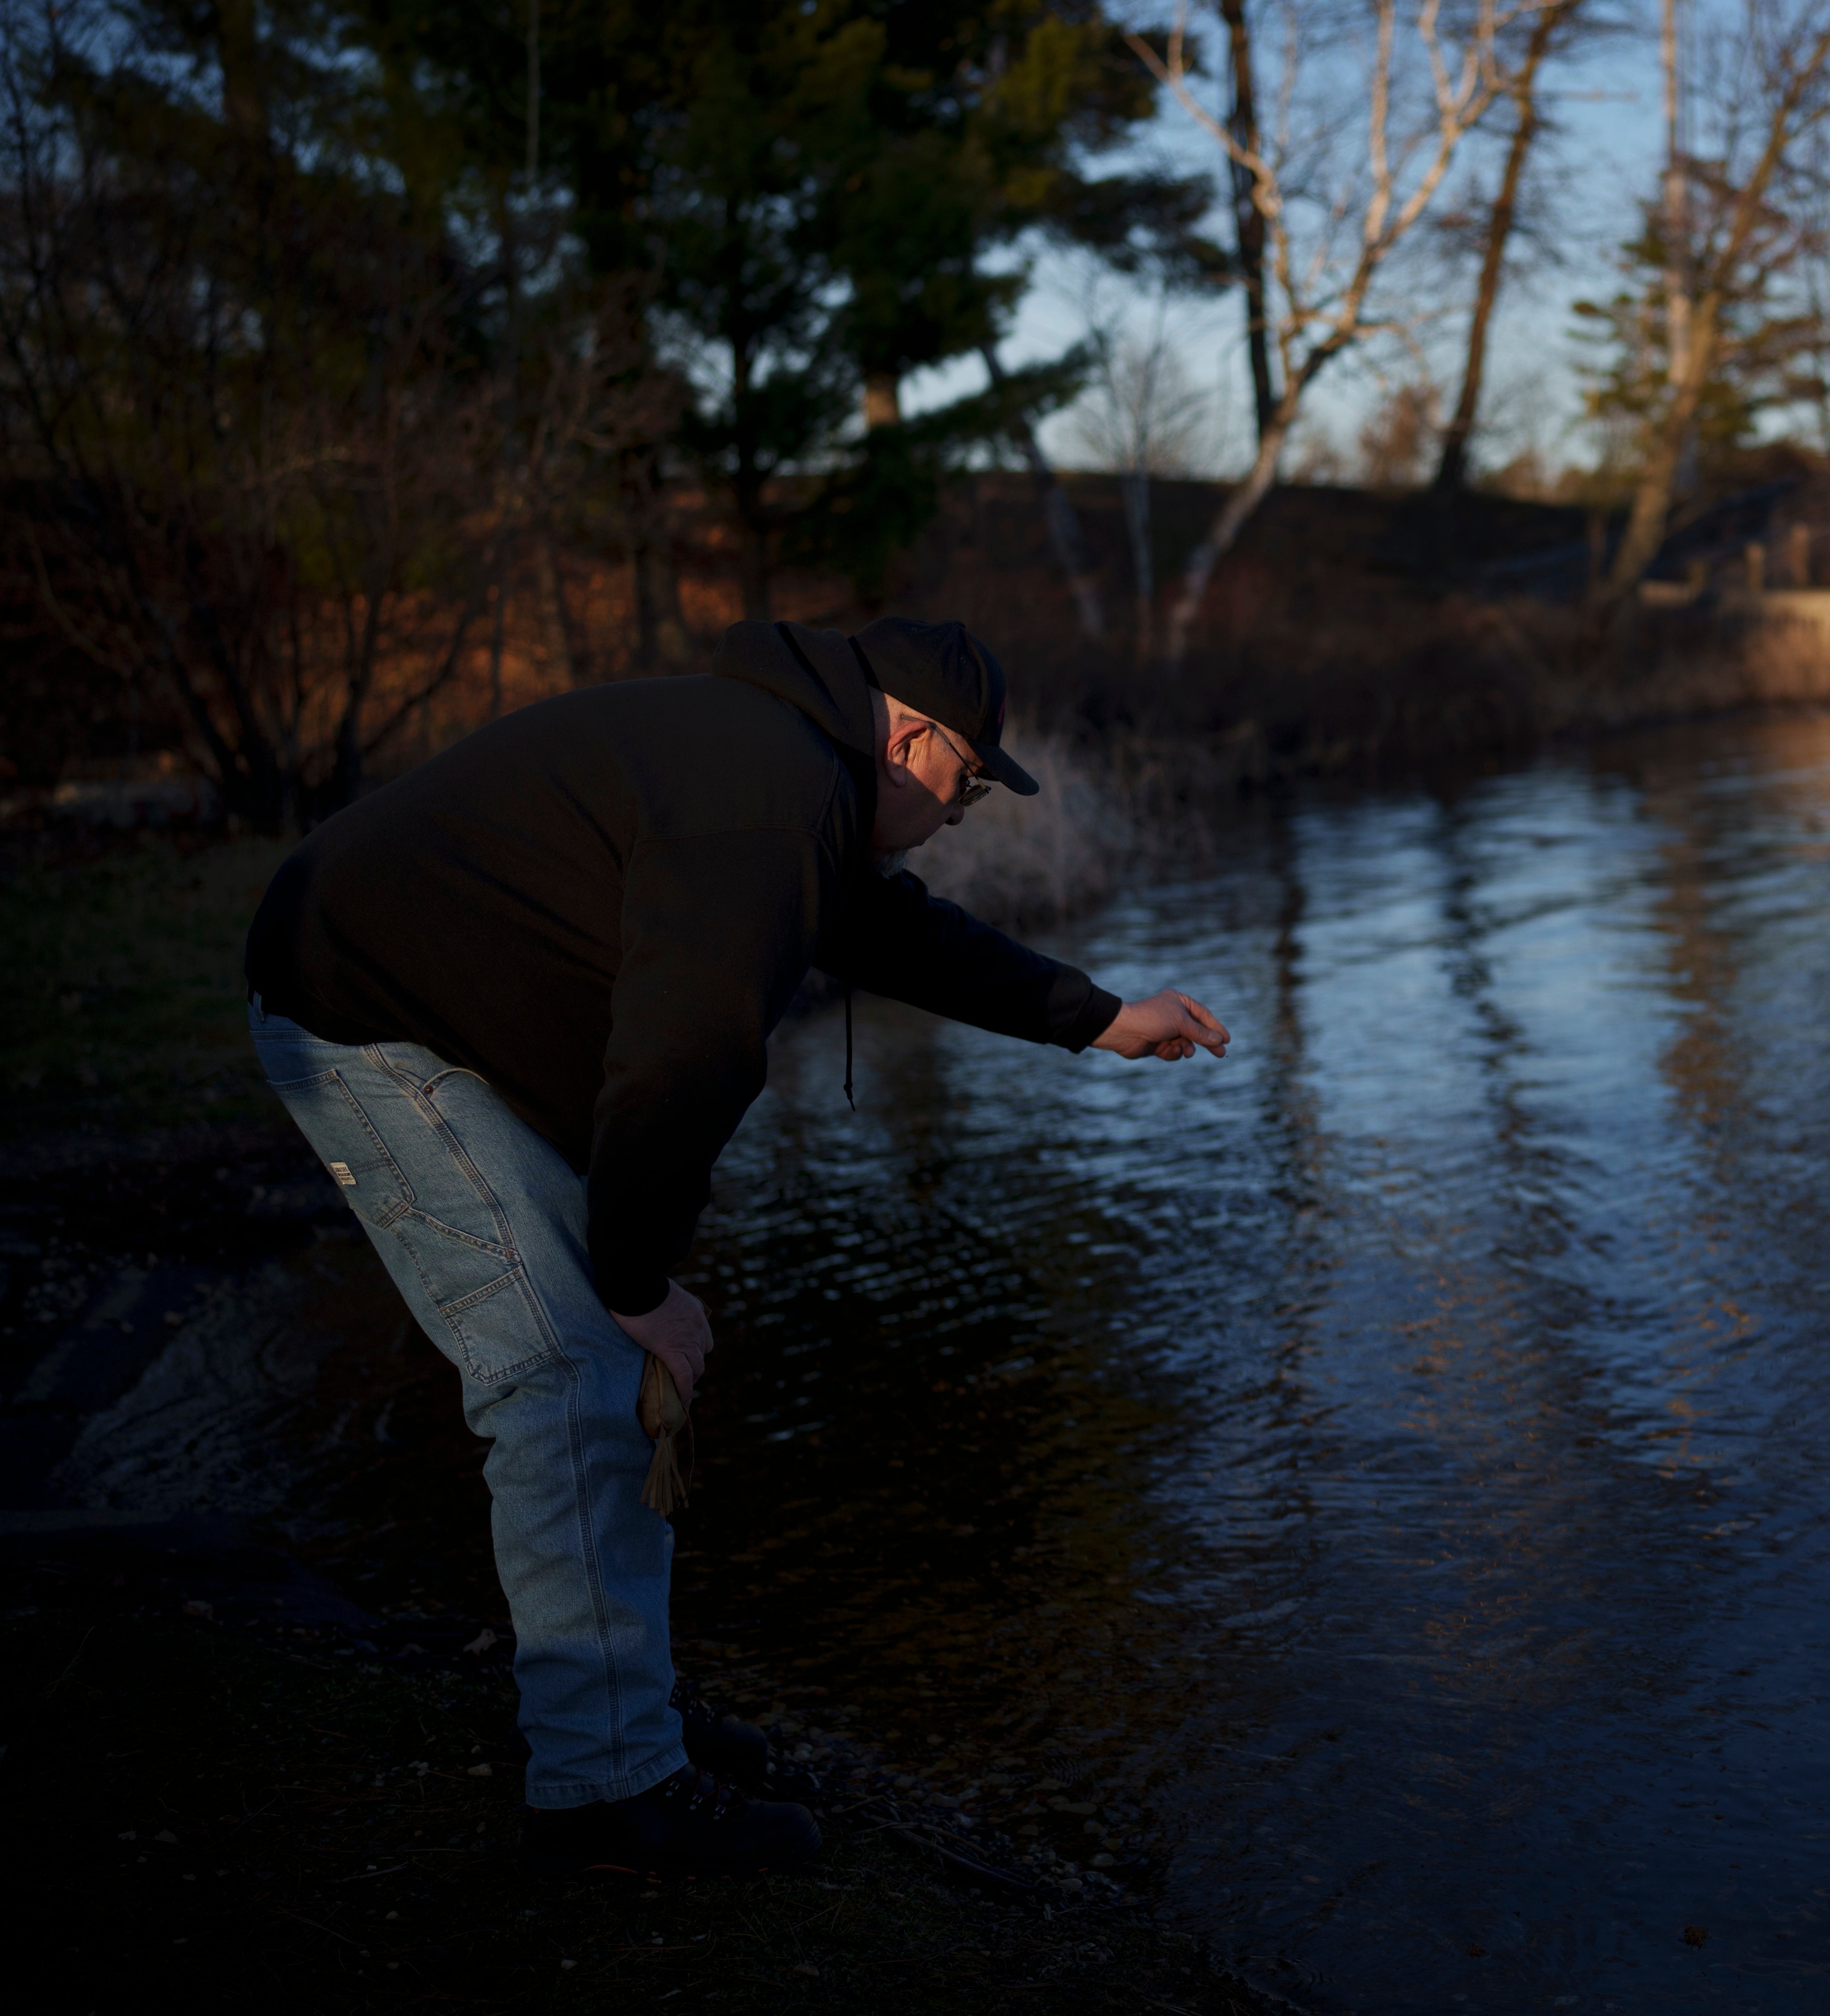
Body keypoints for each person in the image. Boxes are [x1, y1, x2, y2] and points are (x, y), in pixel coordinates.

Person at [241, 616, 1227, 1875]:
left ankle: (617, 1710)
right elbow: (688, 1056)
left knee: (598, 1372)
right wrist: (639, 1283)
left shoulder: (785, 767)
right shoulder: (769, 804)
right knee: (568, 1376)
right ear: (915, 743)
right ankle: (605, 1799)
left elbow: (888, 931)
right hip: (366, 1013)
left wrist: (1095, 1020)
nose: (964, 815)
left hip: (436, 1012)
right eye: (970, 785)